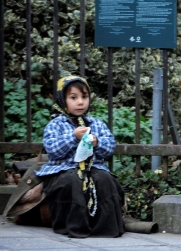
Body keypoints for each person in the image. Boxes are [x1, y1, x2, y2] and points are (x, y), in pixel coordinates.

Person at [35, 75, 125, 237]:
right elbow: (52, 150)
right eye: (73, 97)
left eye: (84, 97)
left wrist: (97, 142)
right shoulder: (56, 124)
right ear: (62, 100)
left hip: (93, 167)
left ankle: (105, 228)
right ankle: (73, 227)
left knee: (104, 179)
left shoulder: (96, 123)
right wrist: (73, 137)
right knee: (72, 181)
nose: (80, 102)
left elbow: (110, 147)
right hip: (62, 170)